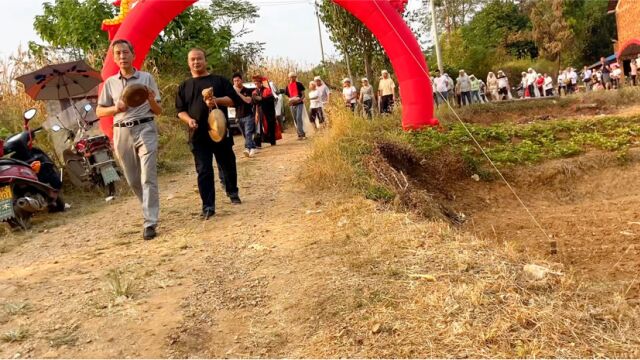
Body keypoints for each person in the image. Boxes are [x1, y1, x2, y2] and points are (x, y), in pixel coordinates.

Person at [96, 39, 162, 241]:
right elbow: (100, 110)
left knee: (147, 176)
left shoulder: (146, 78)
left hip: (145, 128)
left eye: (126, 52)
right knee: (133, 179)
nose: (122, 56)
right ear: (114, 58)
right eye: (118, 53)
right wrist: (116, 108)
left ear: (133, 54)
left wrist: (150, 98)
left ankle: (149, 221)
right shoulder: (110, 83)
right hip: (121, 132)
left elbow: (158, 110)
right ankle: (147, 207)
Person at [175, 48, 242, 220]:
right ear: (188, 62)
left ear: (205, 60)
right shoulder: (184, 86)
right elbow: (180, 110)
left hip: (219, 131)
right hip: (198, 134)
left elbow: (232, 100)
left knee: (227, 163)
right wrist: (189, 120)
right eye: (192, 59)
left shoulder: (218, 81)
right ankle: (208, 206)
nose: (196, 62)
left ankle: (232, 191)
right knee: (204, 170)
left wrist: (216, 100)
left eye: (199, 59)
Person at [232, 73, 256, 157]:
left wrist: (238, 93)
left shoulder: (247, 90)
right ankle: (252, 147)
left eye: (238, 80)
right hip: (238, 116)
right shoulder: (232, 93)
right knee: (245, 134)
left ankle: (247, 148)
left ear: (241, 80)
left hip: (248, 115)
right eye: (234, 81)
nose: (236, 82)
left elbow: (248, 100)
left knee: (248, 132)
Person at [251, 75, 279, 148]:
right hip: (259, 111)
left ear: (261, 83)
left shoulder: (267, 90)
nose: (256, 85)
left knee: (270, 125)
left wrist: (261, 99)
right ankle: (258, 143)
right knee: (258, 127)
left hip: (268, 111)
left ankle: (272, 141)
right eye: (255, 83)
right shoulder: (254, 92)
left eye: (257, 83)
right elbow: (255, 104)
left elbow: (270, 101)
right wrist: (256, 113)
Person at [284, 72, 307, 140]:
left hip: (299, 103)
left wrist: (300, 100)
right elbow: (287, 96)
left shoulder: (299, 84)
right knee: (295, 119)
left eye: (294, 77)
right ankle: (299, 134)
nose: (292, 78)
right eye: (291, 77)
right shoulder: (287, 86)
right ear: (289, 78)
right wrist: (290, 101)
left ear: (295, 77)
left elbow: (303, 94)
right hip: (292, 104)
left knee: (298, 118)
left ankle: (302, 134)